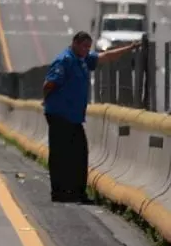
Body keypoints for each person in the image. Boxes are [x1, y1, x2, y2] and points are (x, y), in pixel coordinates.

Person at [42, 31, 136, 203]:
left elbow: (105, 57)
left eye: (88, 47)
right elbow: (49, 84)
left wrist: (128, 49)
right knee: (61, 154)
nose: (86, 50)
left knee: (78, 154)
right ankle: (60, 192)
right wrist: (49, 103)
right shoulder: (65, 60)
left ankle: (75, 192)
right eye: (84, 46)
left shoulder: (83, 59)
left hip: (73, 117)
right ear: (75, 44)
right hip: (59, 115)